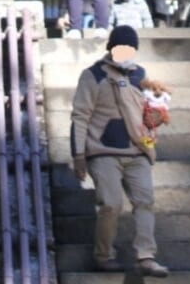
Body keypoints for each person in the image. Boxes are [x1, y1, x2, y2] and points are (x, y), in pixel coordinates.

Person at [70, 25, 170, 277]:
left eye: (130, 48)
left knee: (145, 202)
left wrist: (157, 114)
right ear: (111, 48)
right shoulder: (92, 75)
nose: (126, 52)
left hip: (137, 151)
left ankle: (146, 256)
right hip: (102, 152)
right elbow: (80, 116)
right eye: (121, 47)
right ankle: (103, 256)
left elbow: (146, 112)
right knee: (111, 204)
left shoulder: (141, 75)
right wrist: (78, 155)